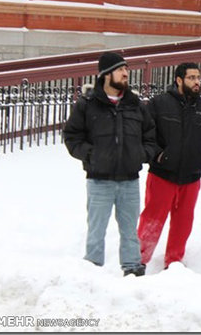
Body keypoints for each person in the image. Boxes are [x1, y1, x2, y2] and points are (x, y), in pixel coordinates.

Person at [63, 52, 157, 277]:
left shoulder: (136, 106)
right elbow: (72, 136)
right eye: (120, 70)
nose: (126, 73)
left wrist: (141, 155)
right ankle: (92, 271)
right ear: (106, 75)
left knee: (130, 231)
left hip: (129, 181)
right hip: (99, 180)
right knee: (96, 231)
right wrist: (91, 155)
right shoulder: (87, 105)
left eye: (126, 69)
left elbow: (151, 137)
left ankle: (133, 268)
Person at [137, 62, 201, 270]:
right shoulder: (159, 104)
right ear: (178, 80)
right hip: (162, 175)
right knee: (152, 220)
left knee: (183, 223)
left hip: (191, 178)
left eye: (198, 78)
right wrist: (158, 156)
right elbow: (145, 136)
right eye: (191, 78)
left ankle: (174, 263)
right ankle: (138, 261)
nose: (196, 82)